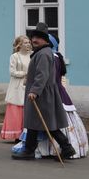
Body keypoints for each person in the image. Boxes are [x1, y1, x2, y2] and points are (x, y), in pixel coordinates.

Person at [12, 22, 75, 160]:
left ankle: (65, 147)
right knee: (36, 123)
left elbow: (42, 75)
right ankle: (31, 149)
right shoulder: (42, 52)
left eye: (38, 38)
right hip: (43, 94)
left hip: (42, 95)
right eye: (33, 37)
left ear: (45, 40)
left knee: (46, 124)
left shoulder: (43, 54)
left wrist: (34, 91)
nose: (34, 40)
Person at [0, 35, 30, 141]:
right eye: (25, 43)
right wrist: (25, 73)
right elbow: (12, 72)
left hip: (29, 85)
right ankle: (16, 134)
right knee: (16, 110)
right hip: (17, 86)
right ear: (20, 45)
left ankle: (26, 133)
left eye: (29, 42)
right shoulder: (14, 56)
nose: (28, 44)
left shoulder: (32, 55)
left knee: (27, 110)